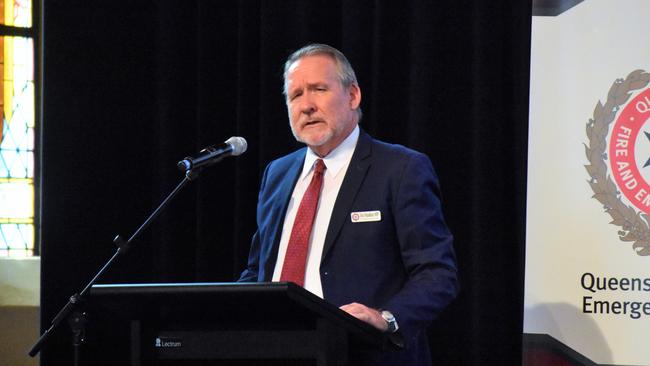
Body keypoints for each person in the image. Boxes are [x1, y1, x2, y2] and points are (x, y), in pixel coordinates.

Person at [239, 43, 458, 365]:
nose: (307, 105)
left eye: (318, 89)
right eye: (295, 95)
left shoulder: (400, 169)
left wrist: (387, 317)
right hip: (277, 349)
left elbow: (437, 272)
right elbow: (259, 270)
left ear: (353, 95)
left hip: (361, 352)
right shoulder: (277, 173)